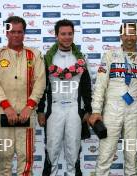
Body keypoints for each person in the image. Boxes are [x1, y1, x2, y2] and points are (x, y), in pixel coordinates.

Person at [89, 22, 137, 176]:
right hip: (111, 109)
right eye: (126, 34)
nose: (129, 37)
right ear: (121, 36)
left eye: (133, 33)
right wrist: (96, 110)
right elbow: (100, 85)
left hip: (134, 111)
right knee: (105, 153)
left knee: (132, 153)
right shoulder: (110, 55)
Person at [0, 16, 46, 176]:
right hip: (4, 113)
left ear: (24, 33)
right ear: (6, 33)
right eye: (12, 32)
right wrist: (7, 107)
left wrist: (30, 106)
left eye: (20, 32)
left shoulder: (34, 54)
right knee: (4, 156)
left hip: (26, 113)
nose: (16, 35)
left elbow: (40, 82)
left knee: (25, 157)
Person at [37, 19, 92, 176]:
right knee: (52, 148)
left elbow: (87, 86)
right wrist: (40, 111)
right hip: (55, 108)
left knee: (73, 149)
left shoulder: (81, 59)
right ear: (56, 35)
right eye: (63, 34)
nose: (67, 37)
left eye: (70, 34)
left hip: (74, 108)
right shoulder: (47, 59)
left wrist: (88, 109)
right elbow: (41, 86)